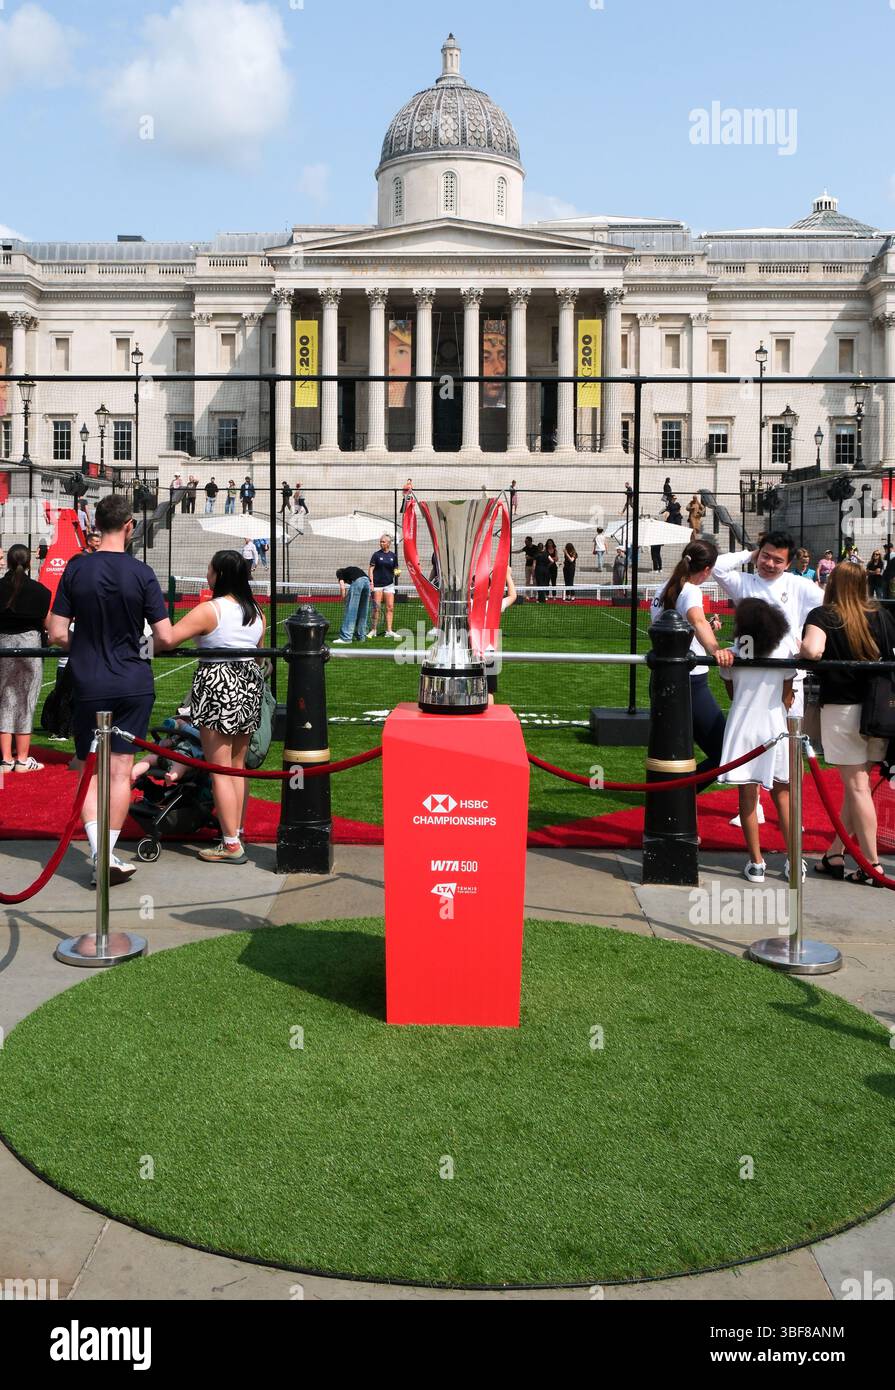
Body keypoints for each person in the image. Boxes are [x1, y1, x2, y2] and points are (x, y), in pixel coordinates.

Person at [47, 494, 173, 886]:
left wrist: (82, 644)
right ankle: (107, 853)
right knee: (120, 771)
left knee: (90, 769)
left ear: (95, 525)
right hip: (133, 681)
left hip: (90, 680)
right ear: (130, 525)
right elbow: (164, 636)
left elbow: (55, 632)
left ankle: (102, 852)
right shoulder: (142, 573)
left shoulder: (77, 568)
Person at [163, 551, 266, 864]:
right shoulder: (256, 612)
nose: (206, 573)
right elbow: (260, 656)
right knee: (236, 765)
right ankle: (236, 830)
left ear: (219, 574)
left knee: (219, 767)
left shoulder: (210, 609)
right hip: (249, 683)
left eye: (209, 569)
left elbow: (167, 639)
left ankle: (231, 842)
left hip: (217, 684)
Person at [800, 563, 893, 885]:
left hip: (843, 709)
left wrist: (801, 650)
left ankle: (872, 864)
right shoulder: (881, 615)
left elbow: (813, 649)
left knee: (857, 788)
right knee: (859, 788)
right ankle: (835, 853)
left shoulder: (823, 615)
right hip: (881, 710)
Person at [718, 598, 799, 882]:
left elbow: (731, 693)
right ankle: (794, 859)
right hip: (774, 725)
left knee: (748, 794)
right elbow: (786, 698)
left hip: (742, 727)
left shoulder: (729, 654)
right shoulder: (786, 649)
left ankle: (756, 863)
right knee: (783, 793)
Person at [711, 529, 823, 718]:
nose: (770, 564)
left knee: (789, 735)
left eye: (778, 560)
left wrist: (807, 639)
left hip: (788, 671)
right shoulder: (743, 582)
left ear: (788, 564)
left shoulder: (799, 585)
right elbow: (716, 567)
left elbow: (830, 605)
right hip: (749, 669)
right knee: (749, 730)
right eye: (765, 556)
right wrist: (750, 554)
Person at [650, 539, 734, 777]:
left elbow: (679, 628)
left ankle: (674, 797)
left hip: (662, 679)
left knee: (673, 751)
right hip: (691, 683)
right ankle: (683, 796)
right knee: (725, 752)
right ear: (707, 569)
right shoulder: (691, 590)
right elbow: (696, 620)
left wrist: (707, 629)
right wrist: (716, 649)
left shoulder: (665, 587)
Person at [0, 545, 52, 774]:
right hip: (31, 647)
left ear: (8, 562)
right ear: (29, 562)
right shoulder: (41, 592)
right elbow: (48, 625)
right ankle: (21, 758)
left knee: (4, 701)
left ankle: (6, 759)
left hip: (2, 648)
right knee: (26, 701)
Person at [485, 570, 518, 705]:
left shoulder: (469, 604)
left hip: (472, 651)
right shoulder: (494, 605)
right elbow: (513, 595)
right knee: (488, 691)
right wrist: (507, 575)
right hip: (488, 652)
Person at [367, 534, 400, 638]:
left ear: (389, 543)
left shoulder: (393, 556)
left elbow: (395, 568)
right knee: (376, 608)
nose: (381, 543)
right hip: (377, 585)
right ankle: (373, 630)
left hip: (389, 585)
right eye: (380, 541)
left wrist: (397, 572)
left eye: (383, 542)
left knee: (390, 607)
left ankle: (389, 631)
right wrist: (371, 582)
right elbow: (371, 569)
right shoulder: (376, 555)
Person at [332, 565, 372, 644]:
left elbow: (342, 587)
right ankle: (361, 637)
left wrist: (343, 599)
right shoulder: (352, 571)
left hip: (358, 582)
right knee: (363, 612)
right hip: (367, 582)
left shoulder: (340, 573)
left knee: (351, 611)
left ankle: (346, 638)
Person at [518, 534, 538, 599]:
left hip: (534, 566)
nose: (525, 542)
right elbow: (519, 551)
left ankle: (535, 594)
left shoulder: (535, 547)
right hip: (527, 566)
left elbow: (537, 557)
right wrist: (510, 551)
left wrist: (530, 558)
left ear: (530, 541)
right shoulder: (525, 548)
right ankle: (527, 595)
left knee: (534, 580)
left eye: (526, 541)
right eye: (525, 541)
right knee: (527, 580)